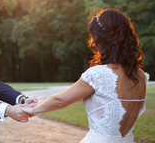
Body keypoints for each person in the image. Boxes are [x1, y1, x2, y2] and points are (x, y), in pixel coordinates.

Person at [22, 9, 149, 143]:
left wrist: (33, 110)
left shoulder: (99, 74)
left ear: (105, 39)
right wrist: (41, 103)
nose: (92, 43)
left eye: (94, 37)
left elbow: (60, 100)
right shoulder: (140, 76)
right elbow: (101, 99)